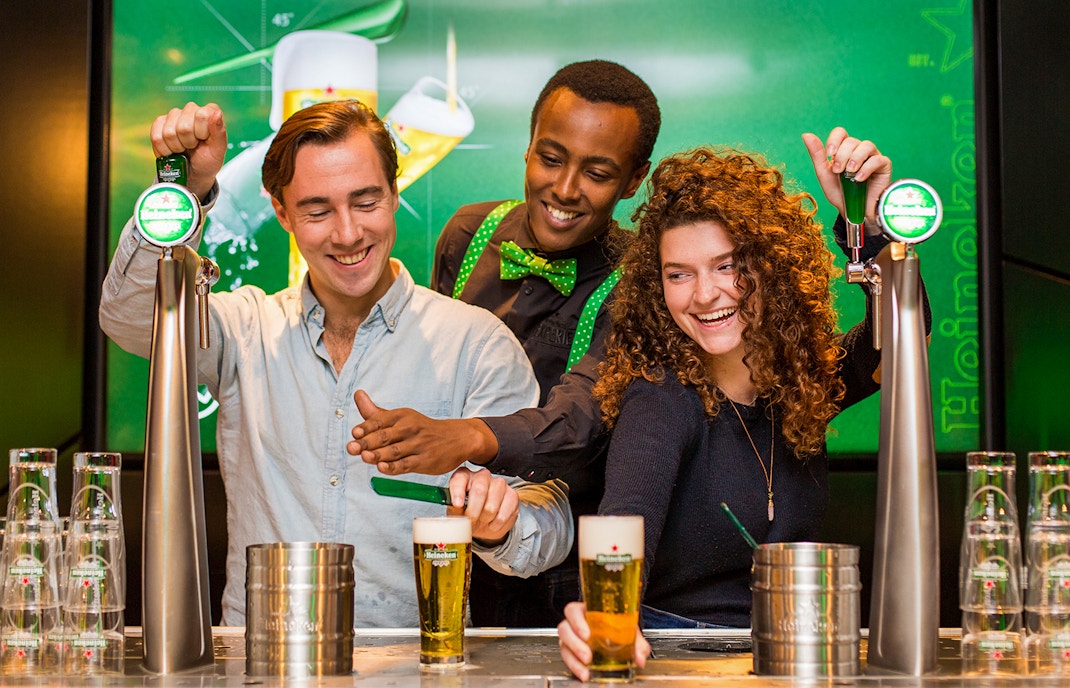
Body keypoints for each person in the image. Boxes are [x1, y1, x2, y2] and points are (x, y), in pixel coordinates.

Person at [99, 100, 573, 627]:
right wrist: (182, 194)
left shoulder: (475, 342)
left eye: (366, 201)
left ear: (394, 194)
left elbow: (547, 529)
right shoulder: (245, 330)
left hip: (412, 666)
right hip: (263, 659)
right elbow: (130, 316)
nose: (347, 234)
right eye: (318, 210)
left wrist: (499, 522)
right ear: (281, 213)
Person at [557, 130, 932, 679]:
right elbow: (621, 532)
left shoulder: (799, 381)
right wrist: (602, 620)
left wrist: (871, 226)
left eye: (727, 265)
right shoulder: (660, 396)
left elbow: (904, 338)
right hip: (684, 657)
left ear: (772, 266)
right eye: (678, 275)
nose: (704, 295)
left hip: (796, 645)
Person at [349, 60, 661, 626]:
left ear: (634, 180)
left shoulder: (645, 276)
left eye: (597, 172)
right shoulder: (468, 233)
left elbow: (581, 421)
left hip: (566, 562)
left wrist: (466, 436)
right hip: (455, 540)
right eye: (550, 158)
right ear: (528, 148)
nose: (564, 188)